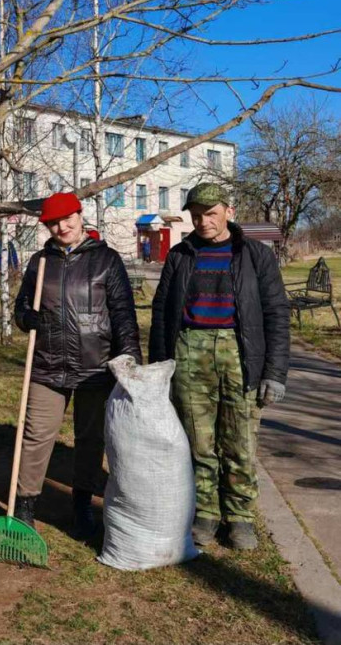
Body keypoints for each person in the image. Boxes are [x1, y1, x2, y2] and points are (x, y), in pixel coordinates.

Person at [150, 182, 289, 550]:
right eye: (196, 215)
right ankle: (206, 513)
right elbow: (162, 312)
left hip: (240, 355)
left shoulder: (256, 255)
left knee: (240, 443)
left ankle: (240, 518)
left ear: (229, 211)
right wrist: (158, 370)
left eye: (210, 213)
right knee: (198, 442)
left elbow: (276, 313)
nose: (203, 221)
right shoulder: (180, 255)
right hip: (189, 351)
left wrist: (274, 373)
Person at [12, 192, 142, 538]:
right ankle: (24, 505)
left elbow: (123, 314)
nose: (62, 226)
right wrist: (26, 316)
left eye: (67, 218)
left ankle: (81, 502)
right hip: (47, 365)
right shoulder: (40, 262)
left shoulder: (106, 260)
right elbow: (21, 307)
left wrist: (129, 356)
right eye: (54, 222)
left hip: (95, 366)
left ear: (79, 216)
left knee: (89, 439)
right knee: (36, 435)